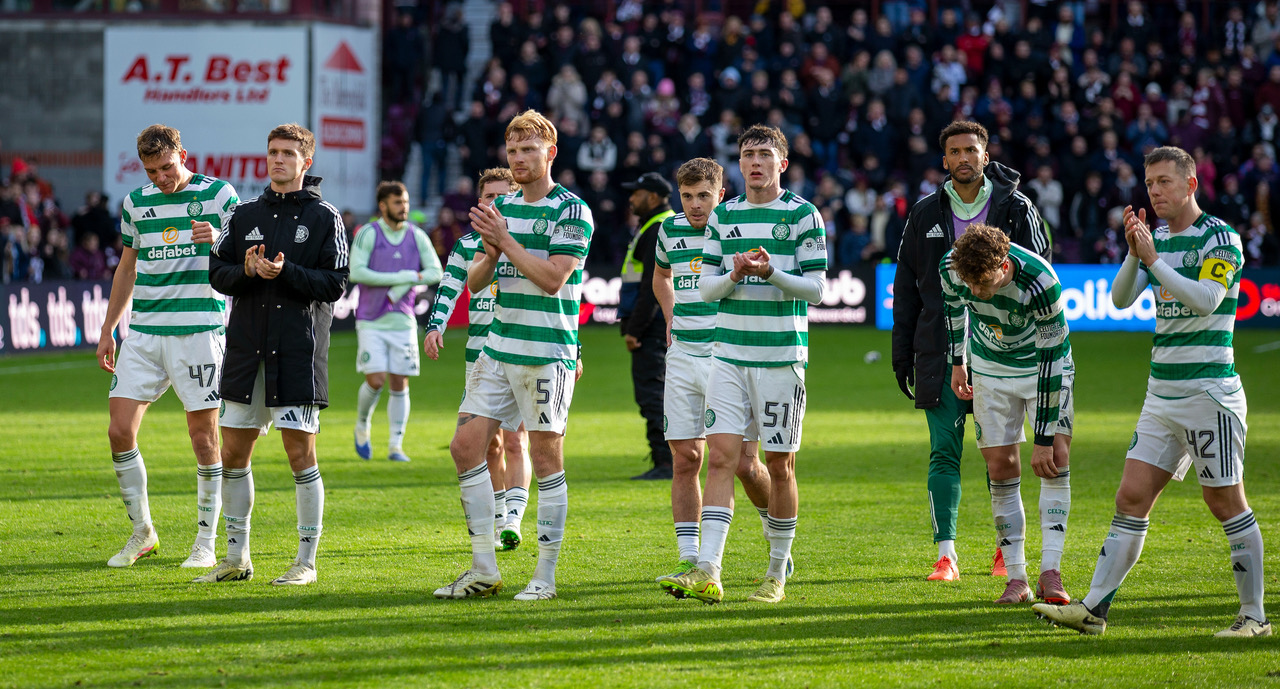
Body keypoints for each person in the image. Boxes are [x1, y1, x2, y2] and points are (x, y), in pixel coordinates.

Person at [1035, 147, 1268, 638]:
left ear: (1190, 184)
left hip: (1209, 392)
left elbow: (1206, 301)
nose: (1155, 192)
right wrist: (1132, 252)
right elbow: (1120, 299)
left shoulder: (1219, 237)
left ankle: (1254, 617)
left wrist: (1154, 260)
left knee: (1226, 502)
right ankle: (1094, 609)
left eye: (1164, 181)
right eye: (1150, 183)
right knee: (1130, 497)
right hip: (1161, 394)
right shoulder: (1154, 236)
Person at [661, 124, 827, 605]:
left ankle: (775, 572)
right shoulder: (723, 216)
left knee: (778, 464)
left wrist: (771, 271)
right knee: (722, 459)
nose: (754, 162)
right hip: (728, 357)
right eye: (746, 154)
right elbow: (705, 289)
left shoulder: (802, 215)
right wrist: (734, 273)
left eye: (763, 154)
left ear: (782, 164)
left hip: (780, 359)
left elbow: (818, 289)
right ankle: (708, 569)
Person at [434, 109, 593, 601]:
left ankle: (544, 577)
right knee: (465, 448)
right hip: (499, 346)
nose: (519, 158)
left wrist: (505, 239)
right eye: (513, 150)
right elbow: (477, 282)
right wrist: (493, 248)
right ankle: (484, 568)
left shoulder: (572, 210)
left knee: (545, 456)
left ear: (551, 153)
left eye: (529, 149)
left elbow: (553, 279)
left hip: (546, 351)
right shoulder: (506, 208)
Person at [892, 120, 1049, 582]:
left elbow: (1039, 274)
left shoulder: (1017, 208)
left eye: (971, 150)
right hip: (937, 350)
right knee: (944, 450)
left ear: (985, 155)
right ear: (944, 160)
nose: (963, 157)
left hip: (1000, 351)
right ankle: (946, 556)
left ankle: (1007, 552)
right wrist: (902, 351)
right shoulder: (924, 213)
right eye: (955, 151)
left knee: (999, 454)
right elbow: (906, 287)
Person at [201, 123, 349, 586]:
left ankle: (306, 561)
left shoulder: (327, 217)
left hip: (297, 351)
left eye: (288, 153)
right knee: (233, 451)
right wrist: (245, 269)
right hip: (247, 349)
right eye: (272, 152)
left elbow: (336, 284)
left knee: (299, 452)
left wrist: (286, 273)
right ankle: (236, 557)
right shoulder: (243, 214)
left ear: (307, 160)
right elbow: (218, 274)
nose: (278, 160)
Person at [96, 124, 239, 570]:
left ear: (183, 153)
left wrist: (216, 240)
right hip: (143, 334)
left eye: (167, 166)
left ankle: (206, 541)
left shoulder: (219, 195)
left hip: (199, 331)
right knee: (119, 432)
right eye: (152, 170)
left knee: (203, 438)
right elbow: (127, 267)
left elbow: (248, 253)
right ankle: (142, 532)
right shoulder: (136, 203)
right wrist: (108, 329)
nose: (161, 177)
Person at [651, 157, 776, 588]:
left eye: (704, 195)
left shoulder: (736, 228)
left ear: (720, 194)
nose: (695, 205)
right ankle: (691, 559)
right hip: (684, 355)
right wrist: (670, 315)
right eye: (686, 196)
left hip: (730, 354)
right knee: (685, 458)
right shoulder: (668, 230)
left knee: (744, 463)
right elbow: (661, 276)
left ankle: (772, 526)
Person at [941, 223, 1074, 605]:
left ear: (1003, 265)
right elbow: (953, 308)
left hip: (1042, 367)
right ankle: (1016, 578)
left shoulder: (1041, 282)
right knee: (999, 466)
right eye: (969, 282)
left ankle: (1051, 571)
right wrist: (958, 362)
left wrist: (1044, 441)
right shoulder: (951, 268)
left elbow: (1050, 359)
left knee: (1056, 459)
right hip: (990, 368)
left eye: (982, 282)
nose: (975, 292)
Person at [424, 167, 533, 552]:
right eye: (488, 197)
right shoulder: (467, 244)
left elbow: (558, 301)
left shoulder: (529, 242)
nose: (494, 203)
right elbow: (449, 287)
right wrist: (434, 326)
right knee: (488, 447)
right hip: (480, 357)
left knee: (517, 441)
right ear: (479, 202)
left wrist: (576, 350)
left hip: (523, 351)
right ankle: (500, 514)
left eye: (502, 196)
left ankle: (513, 519)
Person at [349, 181, 443, 463]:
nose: (404, 208)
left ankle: (395, 446)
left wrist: (406, 280)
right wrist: (404, 276)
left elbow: (435, 270)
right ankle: (363, 423)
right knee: (376, 380)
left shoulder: (417, 235)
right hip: (371, 320)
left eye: (405, 202)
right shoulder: (368, 233)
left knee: (400, 382)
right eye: (398, 203)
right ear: (383, 205)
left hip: (403, 320)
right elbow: (357, 272)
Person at [618, 172, 676, 480]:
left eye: (636, 193)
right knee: (656, 392)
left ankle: (666, 461)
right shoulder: (656, 225)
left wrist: (634, 330)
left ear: (652, 197)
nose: (631, 198)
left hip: (650, 329)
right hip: (653, 326)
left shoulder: (657, 228)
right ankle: (666, 458)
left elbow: (650, 288)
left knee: (653, 393)